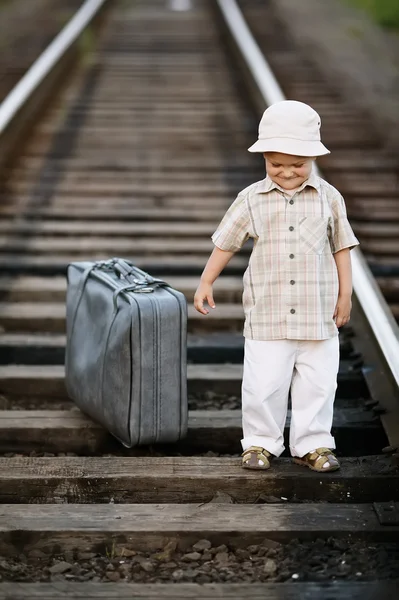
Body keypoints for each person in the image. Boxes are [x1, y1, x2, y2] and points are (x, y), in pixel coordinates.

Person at [193, 100, 359, 473]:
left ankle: (313, 444)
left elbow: (342, 247)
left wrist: (345, 294)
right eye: (276, 165)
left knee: (318, 384)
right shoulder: (252, 199)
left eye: (297, 165)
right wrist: (207, 280)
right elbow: (227, 242)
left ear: (313, 157)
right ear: (264, 158)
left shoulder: (329, 198)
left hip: (317, 312)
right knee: (263, 383)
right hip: (268, 311)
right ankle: (260, 443)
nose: (286, 173)